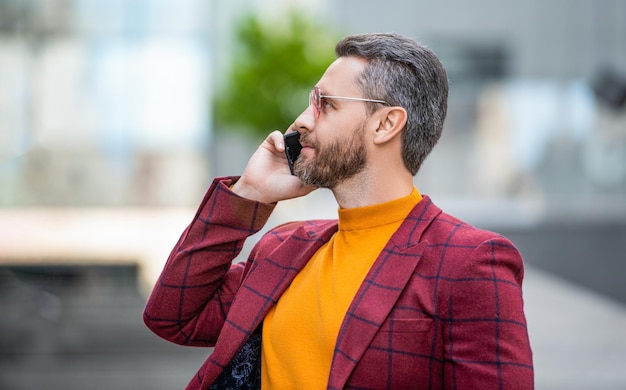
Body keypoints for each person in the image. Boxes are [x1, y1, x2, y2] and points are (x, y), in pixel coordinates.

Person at [143, 32, 534, 389]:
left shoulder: (471, 262)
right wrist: (249, 193)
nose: (300, 121)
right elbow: (172, 316)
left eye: (325, 105)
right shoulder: (284, 249)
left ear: (385, 124)